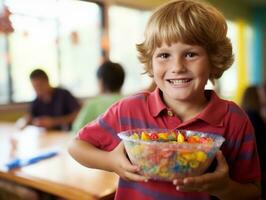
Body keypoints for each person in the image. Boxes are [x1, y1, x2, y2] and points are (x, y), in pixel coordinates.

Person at [68, 0, 261, 199]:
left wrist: (224, 187)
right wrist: (111, 162)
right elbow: (76, 146)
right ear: (150, 62)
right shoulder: (129, 109)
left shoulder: (234, 120)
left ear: (213, 59)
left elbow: (254, 192)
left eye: (190, 54)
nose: (177, 66)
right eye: (164, 55)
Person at [72, 60, 125, 134]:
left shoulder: (93, 104)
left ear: (101, 81)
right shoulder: (128, 102)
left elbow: (76, 131)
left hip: (97, 145)